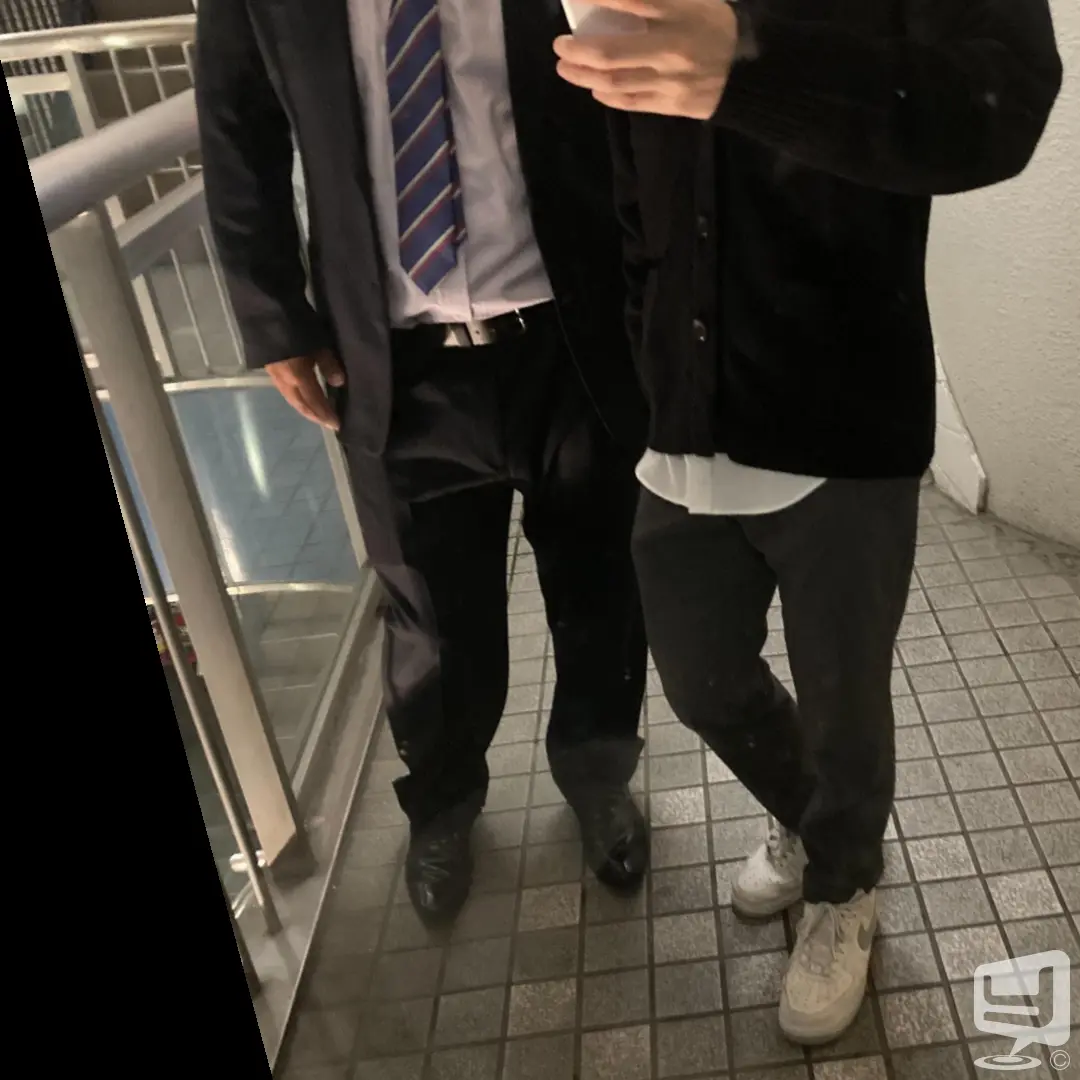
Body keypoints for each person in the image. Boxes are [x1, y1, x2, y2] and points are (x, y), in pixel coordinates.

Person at [554, 0, 1062, 1045]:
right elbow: (632, 173)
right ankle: (815, 821)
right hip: (684, 407)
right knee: (697, 675)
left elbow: (1001, 104)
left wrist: (751, 65)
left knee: (843, 695)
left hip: (843, 403)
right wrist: (647, 355)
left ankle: (844, 879)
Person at [194, 0, 650, 924]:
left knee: (601, 580)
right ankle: (441, 805)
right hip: (391, 360)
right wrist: (274, 317)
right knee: (429, 618)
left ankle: (598, 773)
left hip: (570, 330)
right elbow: (236, 123)